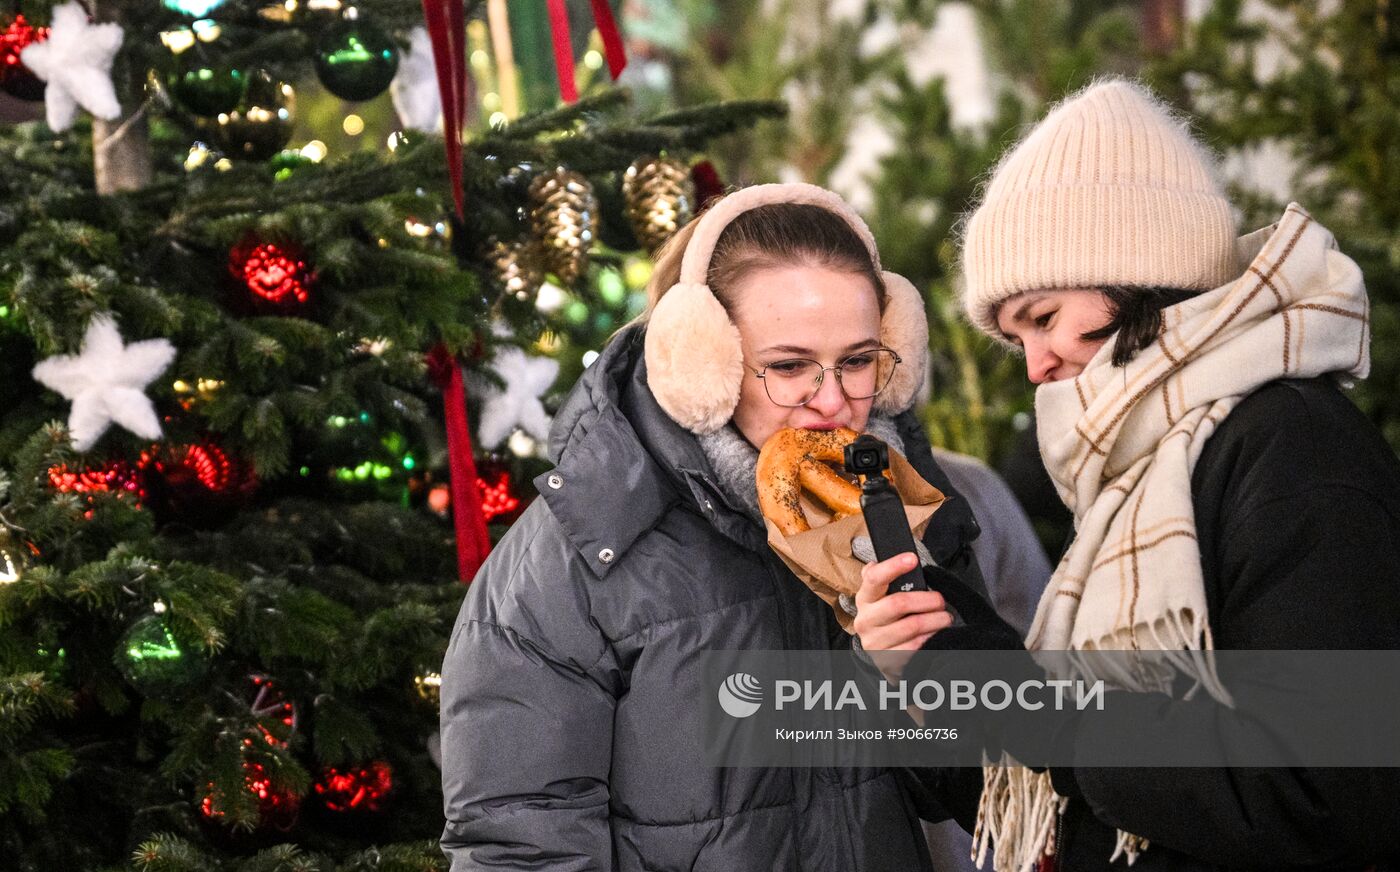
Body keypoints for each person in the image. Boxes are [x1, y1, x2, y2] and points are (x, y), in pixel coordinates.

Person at [855, 78, 1400, 871]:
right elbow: (1078, 804)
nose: (1037, 364)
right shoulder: (1142, 469)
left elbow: (1332, 789)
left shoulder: (1291, 449)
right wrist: (936, 664)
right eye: (1017, 339)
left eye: (1043, 317)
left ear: (1141, 268)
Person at [439, 182, 990, 870]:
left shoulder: (910, 516)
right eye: (788, 367)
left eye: (857, 362)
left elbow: (988, 797)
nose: (832, 402)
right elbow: (520, 847)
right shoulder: (578, 559)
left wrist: (914, 684)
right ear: (702, 364)